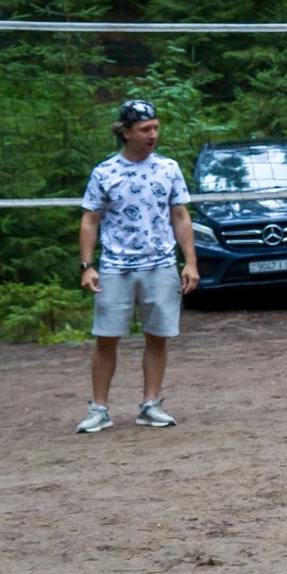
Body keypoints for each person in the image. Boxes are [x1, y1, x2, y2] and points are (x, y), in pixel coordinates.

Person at [75, 98, 198, 434]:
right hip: (115, 266)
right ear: (126, 132)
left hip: (160, 264)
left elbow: (180, 216)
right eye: (145, 129)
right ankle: (99, 408)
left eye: (156, 128)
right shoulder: (105, 172)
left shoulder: (168, 168)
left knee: (157, 335)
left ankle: (150, 404)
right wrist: (87, 265)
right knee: (106, 337)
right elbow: (90, 220)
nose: (153, 135)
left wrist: (190, 262)